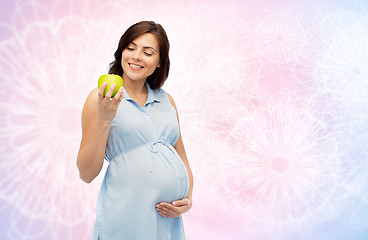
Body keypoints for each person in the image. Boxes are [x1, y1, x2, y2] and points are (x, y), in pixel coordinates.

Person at [76, 21, 194, 240]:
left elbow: (181, 157)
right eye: (130, 48)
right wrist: (105, 118)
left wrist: (187, 200)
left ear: (159, 62)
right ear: (121, 51)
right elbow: (86, 173)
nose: (136, 56)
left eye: (147, 52)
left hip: (168, 221)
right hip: (127, 217)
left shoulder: (167, 101)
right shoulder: (101, 98)